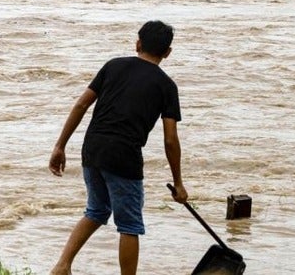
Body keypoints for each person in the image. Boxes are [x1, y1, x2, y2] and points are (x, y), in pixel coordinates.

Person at [48, 20, 189, 275]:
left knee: (96, 210)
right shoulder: (167, 86)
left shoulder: (113, 66)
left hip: (93, 148)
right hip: (124, 156)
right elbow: (170, 140)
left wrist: (60, 146)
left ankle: (62, 266)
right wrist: (178, 182)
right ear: (167, 53)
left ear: (138, 44)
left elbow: (81, 105)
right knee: (130, 225)